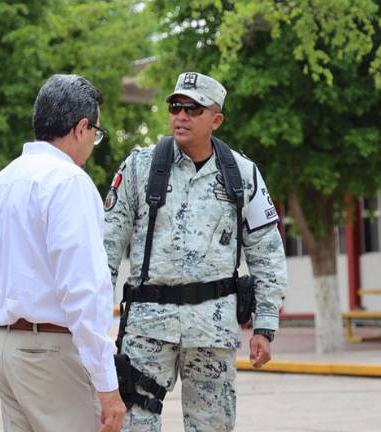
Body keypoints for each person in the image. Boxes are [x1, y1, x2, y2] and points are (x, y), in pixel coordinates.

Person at [104, 72, 287, 431]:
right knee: (132, 425)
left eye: (193, 108)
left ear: (216, 119)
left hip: (212, 330)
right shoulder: (140, 167)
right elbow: (106, 247)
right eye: (175, 106)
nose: (181, 116)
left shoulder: (242, 174)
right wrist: (93, 322)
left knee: (213, 426)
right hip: (147, 329)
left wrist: (265, 325)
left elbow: (266, 251)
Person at [0, 74, 126, 432]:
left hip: (6, 347)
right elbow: (82, 288)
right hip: (50, 353)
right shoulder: (68, 182)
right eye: (96, 133)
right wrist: (107, 383)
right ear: (81, 127)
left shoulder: (0, 184)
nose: (93, 142)